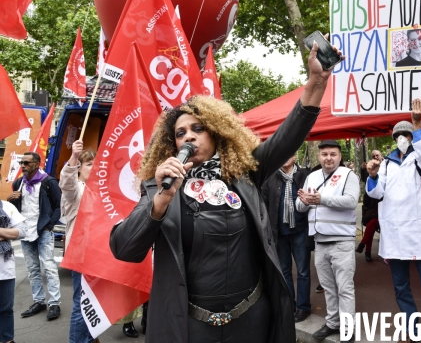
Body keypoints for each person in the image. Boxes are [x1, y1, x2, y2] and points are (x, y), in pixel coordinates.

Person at [109, 39, 341, 343]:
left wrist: (316, 83)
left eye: (197, 128)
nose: (188, 136)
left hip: (251, 321)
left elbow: (287, 136)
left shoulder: (245, 173)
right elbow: (124, 249)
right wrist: (161, 201)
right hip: (193, 328)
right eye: (181, 133)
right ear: (173, 144)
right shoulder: (159, 187)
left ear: (217, 133)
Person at [366, 99, 421, 343]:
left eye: (407, 134)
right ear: (393, 138)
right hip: (396, 236)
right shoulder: (385, 164)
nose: (403, 138)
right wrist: (372, 176)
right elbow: (376, 193)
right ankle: (413, 329)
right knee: (401, 288)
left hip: (420, 234)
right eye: (400, 135)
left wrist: (418, 124)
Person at [296, 140, 360, 341]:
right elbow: (299, 206)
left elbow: (351, 201)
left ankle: (348, 329)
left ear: (340, 156)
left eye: (333, 154)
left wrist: (320, 199)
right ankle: (333, 323)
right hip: (319, 241)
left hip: (342, 241)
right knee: (329, 287)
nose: (328, 158)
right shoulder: (312, 177)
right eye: (324, 154)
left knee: (344, 287)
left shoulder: (348, 175)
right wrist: (304, 201)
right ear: (319, 156)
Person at [7, 152, 61, 321]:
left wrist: (49, 225)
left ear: (37, 164)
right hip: (25, 232)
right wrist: (10, 199)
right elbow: (13, 210)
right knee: (32, 270)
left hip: (42, 231)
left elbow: (59, 206)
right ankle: (39, 301)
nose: (23, 165)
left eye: (26, 163)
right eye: (22, 162)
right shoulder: (18, 183)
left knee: (50, 267)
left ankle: (54, 303)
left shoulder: (48, 182)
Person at [59, 141, 101, 342]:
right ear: (80, 169)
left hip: (99, 256)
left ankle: (90, 339)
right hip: (81, 255)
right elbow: (66, 183)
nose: (94, 168)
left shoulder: (102, 192)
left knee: (94, 303)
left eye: (96, 164)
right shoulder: (76, 190)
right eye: (89, 164)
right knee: (81, 303)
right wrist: (74, 158)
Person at [262, 154, 312, 323]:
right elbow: (264, 204)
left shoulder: (305, 175)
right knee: (284, 272)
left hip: (300, 230)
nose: (286, 156)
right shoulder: (270, 177)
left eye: (290, 152)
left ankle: (304, 307)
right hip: (279, 233)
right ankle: (289, 304)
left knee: (303, 271)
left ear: (296, 155)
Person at [0, 186, 26, 343]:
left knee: (6, 310)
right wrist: (7, 232)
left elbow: (22, 231)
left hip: (5, 270)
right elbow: (13, 232)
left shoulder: (7, 206)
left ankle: (7, 340)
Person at [357, 150, 384, 262]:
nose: (375, 157)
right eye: (373, 156)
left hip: (384, 202)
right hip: (372, 203)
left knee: (373, 223)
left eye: (377, 155)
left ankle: (363, 244)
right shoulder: (369, 166)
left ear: (381, 156)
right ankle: (367, 251)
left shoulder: (387, 166)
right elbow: (365, 180)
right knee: (370, 224)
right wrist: (364, 169)